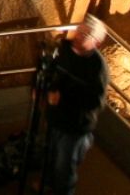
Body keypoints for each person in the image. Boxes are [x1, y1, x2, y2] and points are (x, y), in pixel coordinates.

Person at [44, 14, 110, 195]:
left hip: (75, 125)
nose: (78, 37)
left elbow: (95, 101)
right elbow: (53, 72)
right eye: (79, 31)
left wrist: (62, 98)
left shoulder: (97, 68)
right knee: (51, 154)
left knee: (64, 166)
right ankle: (49, 184)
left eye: (85, 35)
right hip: (56, 117)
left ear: (97, 43)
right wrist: (45, 89)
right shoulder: (64, 49)